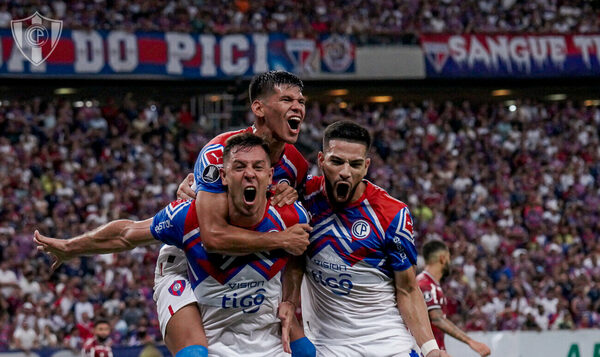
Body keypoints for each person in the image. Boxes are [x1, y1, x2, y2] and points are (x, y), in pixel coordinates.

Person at [35, 134, 315, 357]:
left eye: (258, 167)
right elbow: (127, 234)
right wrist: (70, 247)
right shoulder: (189, 216)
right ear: (224, 176)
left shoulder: (293, 216)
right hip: (184, 272)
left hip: (239, 289)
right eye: (239, 167)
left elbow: (298, 253)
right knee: (195, 352)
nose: (250, 174)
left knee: (304, 351)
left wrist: (290, 299)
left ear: (270, 176)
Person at [156, 70, 310, 355]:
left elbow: (298, 241)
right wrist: (282, 240)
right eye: (286, 99)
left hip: (246, 265)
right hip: (194, 259)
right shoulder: (220, 152)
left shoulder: (297, 166)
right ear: (258, 108)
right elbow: (211, 236)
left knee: (304, 351)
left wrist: (289, 299)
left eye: (301, 101)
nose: (297, 107)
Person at [279, 121, 451, 357]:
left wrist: (430, 348)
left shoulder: (392, 214)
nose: (345, 172)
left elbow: (408, 289)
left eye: (355, 164)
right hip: (328, 346)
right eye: (336, 161)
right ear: (321, 160)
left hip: (388, 344)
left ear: (367, 166)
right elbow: (295, 259)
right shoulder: (303, 198)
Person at [417, 240, 491, 357]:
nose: (449, 262)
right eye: (449, 258)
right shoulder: (425, 284)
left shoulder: (432, 284)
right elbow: (437, 319)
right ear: (442, 258)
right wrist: (470, 341)